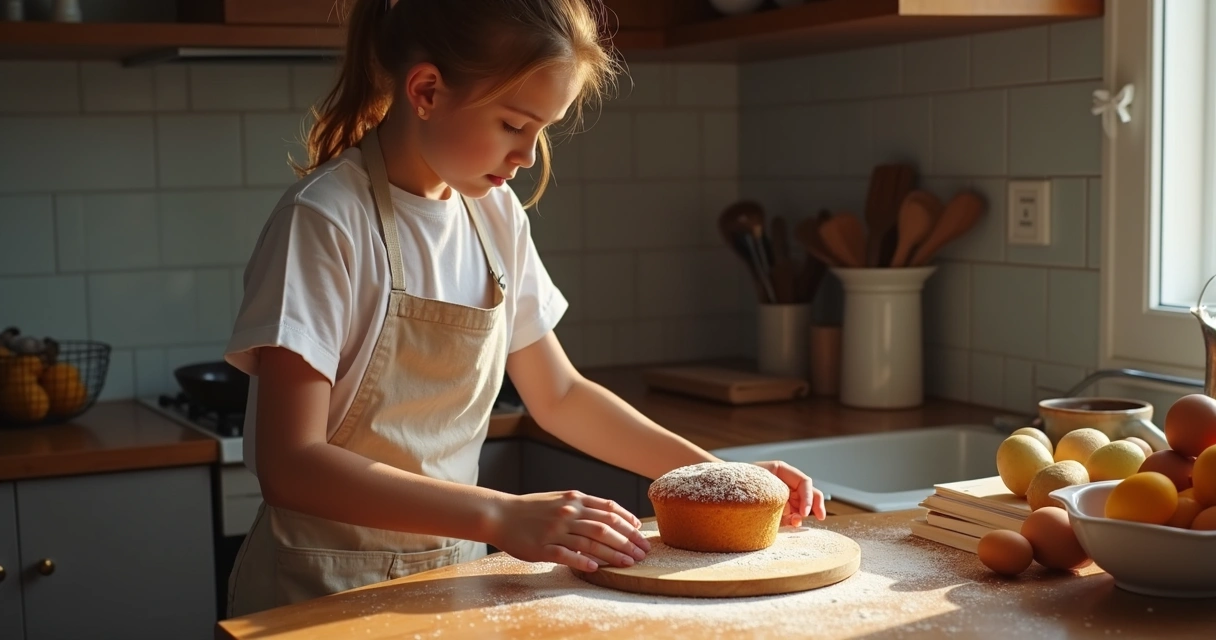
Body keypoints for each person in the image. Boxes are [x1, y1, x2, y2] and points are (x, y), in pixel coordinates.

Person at [223, 0, 826, 617]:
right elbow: (289, 465)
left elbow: (559, 394)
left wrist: (719, 478)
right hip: (318, 592)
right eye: (514, 125)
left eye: (543, 130)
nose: (529, 156)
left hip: (448, 582)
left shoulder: (493, 216)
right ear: (426, 90)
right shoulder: (326, 220)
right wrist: (499, 513)